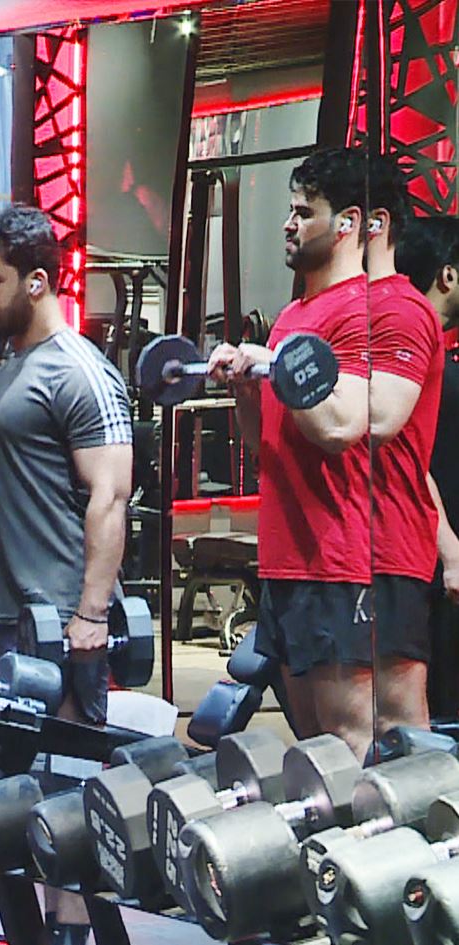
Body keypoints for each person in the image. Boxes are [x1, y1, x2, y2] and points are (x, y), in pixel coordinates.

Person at [0, 204, 133, 944]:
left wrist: (91, 613)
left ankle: (73, 936)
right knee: (15, 800)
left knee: (65, 804)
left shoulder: (78, 370)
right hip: (10, 614)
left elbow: (111, 495)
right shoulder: (12, 364)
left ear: (36, 281)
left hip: (60, 618)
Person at [208, 147, 373, 760]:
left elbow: (340, 428)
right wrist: (245, 387)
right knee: (310, 743)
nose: (289, 223)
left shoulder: (361, 310)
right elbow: (266, 443)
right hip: (284, 559)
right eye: (290, 210)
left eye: (304, 212)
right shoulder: (292, 319)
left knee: (348, 741)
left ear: (348, 222)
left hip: (337, 559)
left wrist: (276, 364)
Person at [363, 152, 444, 738]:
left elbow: (387, 428)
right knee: (338, 730)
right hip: (334, 551)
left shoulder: (403, 313)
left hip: (391, 546)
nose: (290, 225)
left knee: (397, 724)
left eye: (305, 211)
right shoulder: (311, 313)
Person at [394, 213, 459, 718]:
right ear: (448, 275)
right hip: (427, 565)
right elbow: (411, 464)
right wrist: (451, 551)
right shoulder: (420, 359)